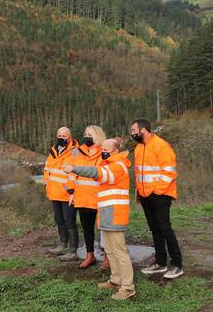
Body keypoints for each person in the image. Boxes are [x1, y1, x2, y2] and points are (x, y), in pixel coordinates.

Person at [63, 138, 135, 300]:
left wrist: (74, 169)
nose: (101, 150)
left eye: (105, 149)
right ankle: (116, 280)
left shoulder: (118, 166)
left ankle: (128, 287)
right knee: (110, 250)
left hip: (115, 215)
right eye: (101, 148)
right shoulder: (109, 164)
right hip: (106, 215)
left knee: (119, 252)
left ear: (115, 151)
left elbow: (97, 173)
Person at [131, 118, 183, 279]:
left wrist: (157, 191)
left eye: (133, 131)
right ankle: (160, 262)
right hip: (145, 195)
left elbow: (169, 172)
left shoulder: (161, 146)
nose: (132, 134)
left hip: (160, 195)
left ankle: (177, 264)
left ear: (143, 130)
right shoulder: (139, 147)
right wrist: (140, 193)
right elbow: (139, 173)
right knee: (155, 229)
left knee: (165, 228)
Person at [67, 125, 105, 267]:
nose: (86, 136)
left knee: (104, 229)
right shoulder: (77, 152)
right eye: (85, 133)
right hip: (82, 197)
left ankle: (108, 258)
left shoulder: (104, 152)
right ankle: (90, 256)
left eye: (90, 134)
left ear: (98, 136)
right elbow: (71, 173)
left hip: (99, 197)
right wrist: (71, 192)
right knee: (87, 228)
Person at [43, 127, 80, 259]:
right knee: (59, 219)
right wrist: (47, 183)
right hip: (54, 192)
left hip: (67, 193)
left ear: (70, 137)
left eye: (64, 135)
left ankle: (73, 250)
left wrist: (72, 190)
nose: (61, 137)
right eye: (59, 135)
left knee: (69, 221)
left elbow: (76, 172)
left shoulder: (75, 152)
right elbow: (48, 168)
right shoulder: (53, 151)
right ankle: (63, 244)